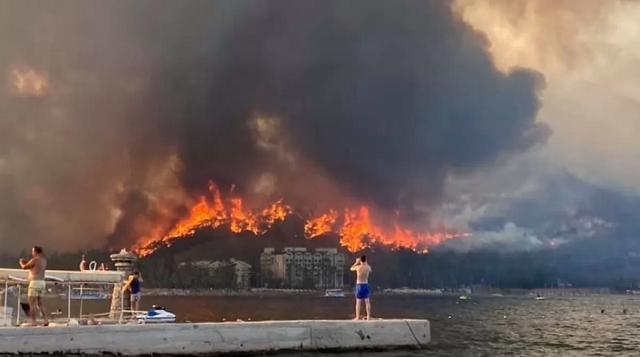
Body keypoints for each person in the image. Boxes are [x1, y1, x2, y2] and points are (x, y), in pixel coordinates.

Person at [19, 246, 49, 326]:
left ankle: (34, 321)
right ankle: (46, 320)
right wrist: (27, 262)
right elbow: (34, 268)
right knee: (40, 303)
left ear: (36, 251)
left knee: (32, 304)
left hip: (35, 282)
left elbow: (24, 267)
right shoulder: (43, 261)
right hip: (42, 282)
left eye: (33, 251)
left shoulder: (35, 259)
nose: (32, 253)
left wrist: (21, 262)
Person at [350, 255, 372, 320]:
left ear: (360, 261)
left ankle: (357, 317)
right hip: (365, 284)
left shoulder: (358, 267)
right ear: (366, 260)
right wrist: (366, 263)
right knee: (367, 302)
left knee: (358, 302)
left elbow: (351, 268)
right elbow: (370, 270)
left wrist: (356, 262)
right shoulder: (368, 267)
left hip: (359, 285)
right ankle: (368, 317)